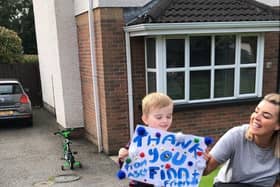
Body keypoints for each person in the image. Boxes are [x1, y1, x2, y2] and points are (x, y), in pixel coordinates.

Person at [203, 93, 280, 187]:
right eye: (256, 111)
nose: (256, 117)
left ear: (278, 125)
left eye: (266, 116)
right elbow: (205, 170)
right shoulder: (236, 135)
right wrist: (199, 161)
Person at [118, 92, 174, 187]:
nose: (165, 120)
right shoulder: (139, 139)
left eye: (168, 116)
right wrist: (123, 156)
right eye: (159, 117)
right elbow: (126, 164)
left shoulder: (173, 142)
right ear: (145, 119)